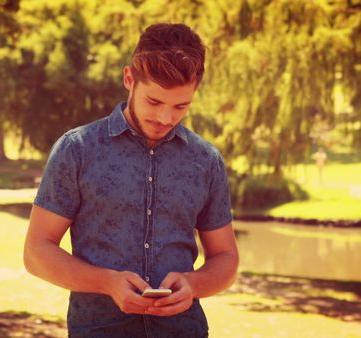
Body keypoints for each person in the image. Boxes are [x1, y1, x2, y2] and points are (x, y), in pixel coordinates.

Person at [24, 23, 239, 338]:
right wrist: (106, 282)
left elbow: (226, 258)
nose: (166, 118)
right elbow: (36, 252)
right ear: (129, 79)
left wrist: (193, 285)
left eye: (180, 106)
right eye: (154, 102)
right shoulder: (77, 149)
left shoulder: (206, 160)